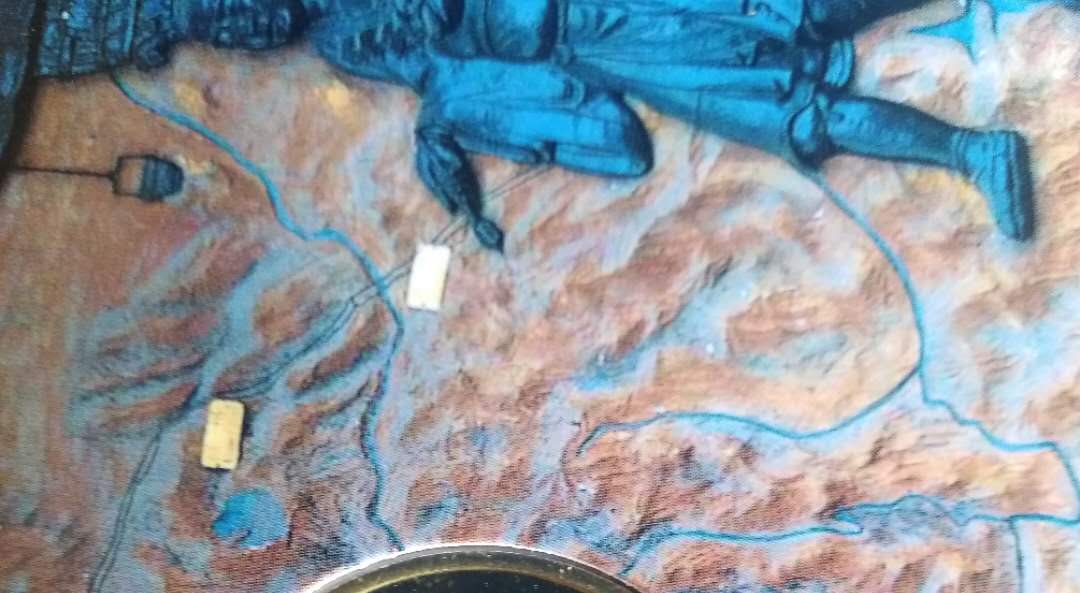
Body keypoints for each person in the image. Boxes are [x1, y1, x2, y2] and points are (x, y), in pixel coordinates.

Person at [3, 0, 1035, 242]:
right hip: (591, 50)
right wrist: (453, 168)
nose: (247, 24)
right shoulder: (347, 45)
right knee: (787, 112)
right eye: (226, 27)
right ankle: (969, 150)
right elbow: (449, 86)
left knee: (796, 10)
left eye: (229, 9)